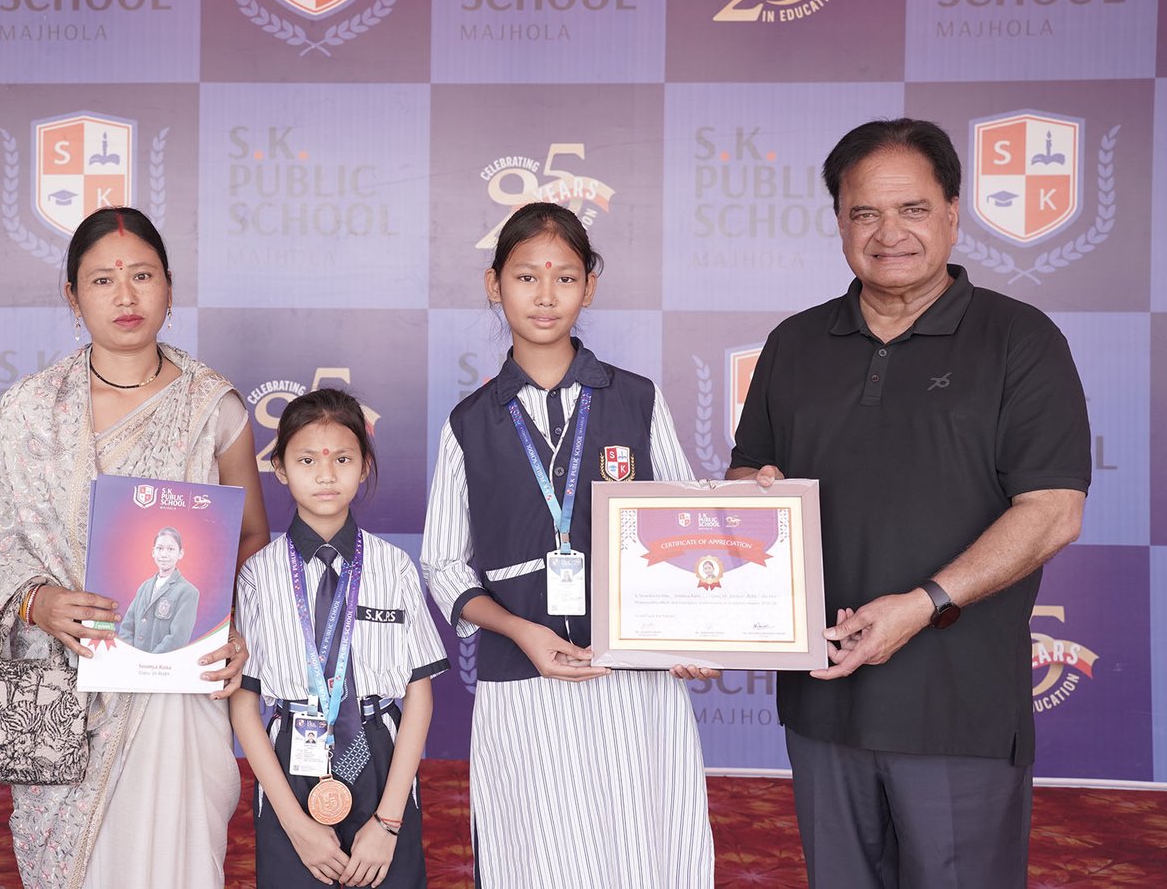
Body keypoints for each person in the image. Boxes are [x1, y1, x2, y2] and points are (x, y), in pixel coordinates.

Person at [726, 118, 1090, 888]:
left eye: (913, 209)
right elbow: (746, 474)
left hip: (956, 711)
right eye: (864, 212)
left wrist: (922, 604)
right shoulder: (794, 343)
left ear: (953, 213)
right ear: (839, 222)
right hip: (823, 704)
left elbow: (1054, 508)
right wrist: (751, 497)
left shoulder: (1019, 340)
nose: (888, 232)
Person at [0, 205, 270, 889]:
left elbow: (250, 533)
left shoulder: (212, 406)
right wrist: (38, 603)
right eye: (102, 280)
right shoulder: (29, 409)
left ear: (169, 286)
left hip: (175, 688)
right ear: (73, 297)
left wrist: (222, 620)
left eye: (142, 275)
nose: (125, 296)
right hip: (59, 688)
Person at [421, 202, 716, 889]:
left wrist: (691, 629)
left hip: (632, 679)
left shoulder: (637, 400)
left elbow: (686, 523)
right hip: (521, 677)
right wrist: (519, 630)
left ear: (591, 286)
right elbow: (443, 564)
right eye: (526, 277)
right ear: (494, 285)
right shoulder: (470, 422)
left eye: (566, 277)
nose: (546, 295)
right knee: (536, 856)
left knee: (646, 851)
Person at [232, 389, 448, 889]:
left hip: (382, 758)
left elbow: (419, 695)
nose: (326, 475)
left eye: (343, 459)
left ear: (365, 466)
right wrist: (295, 825)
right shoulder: (258, 575)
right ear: (279, 468)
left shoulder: (394, 566)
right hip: (290, 761)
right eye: (307, 460)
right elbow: (244, 707)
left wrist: (388, 821)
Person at [117, 527, 201, 654]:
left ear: (180, 553)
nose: (164, 554)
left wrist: (150, 660)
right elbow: (127, 626)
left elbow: (177, 639)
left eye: (171, 549)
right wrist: (131, 655)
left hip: (162, 663)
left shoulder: (188, 592)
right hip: (133, 660)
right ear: (153, 552)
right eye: (160, 548)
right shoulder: (144, 586)